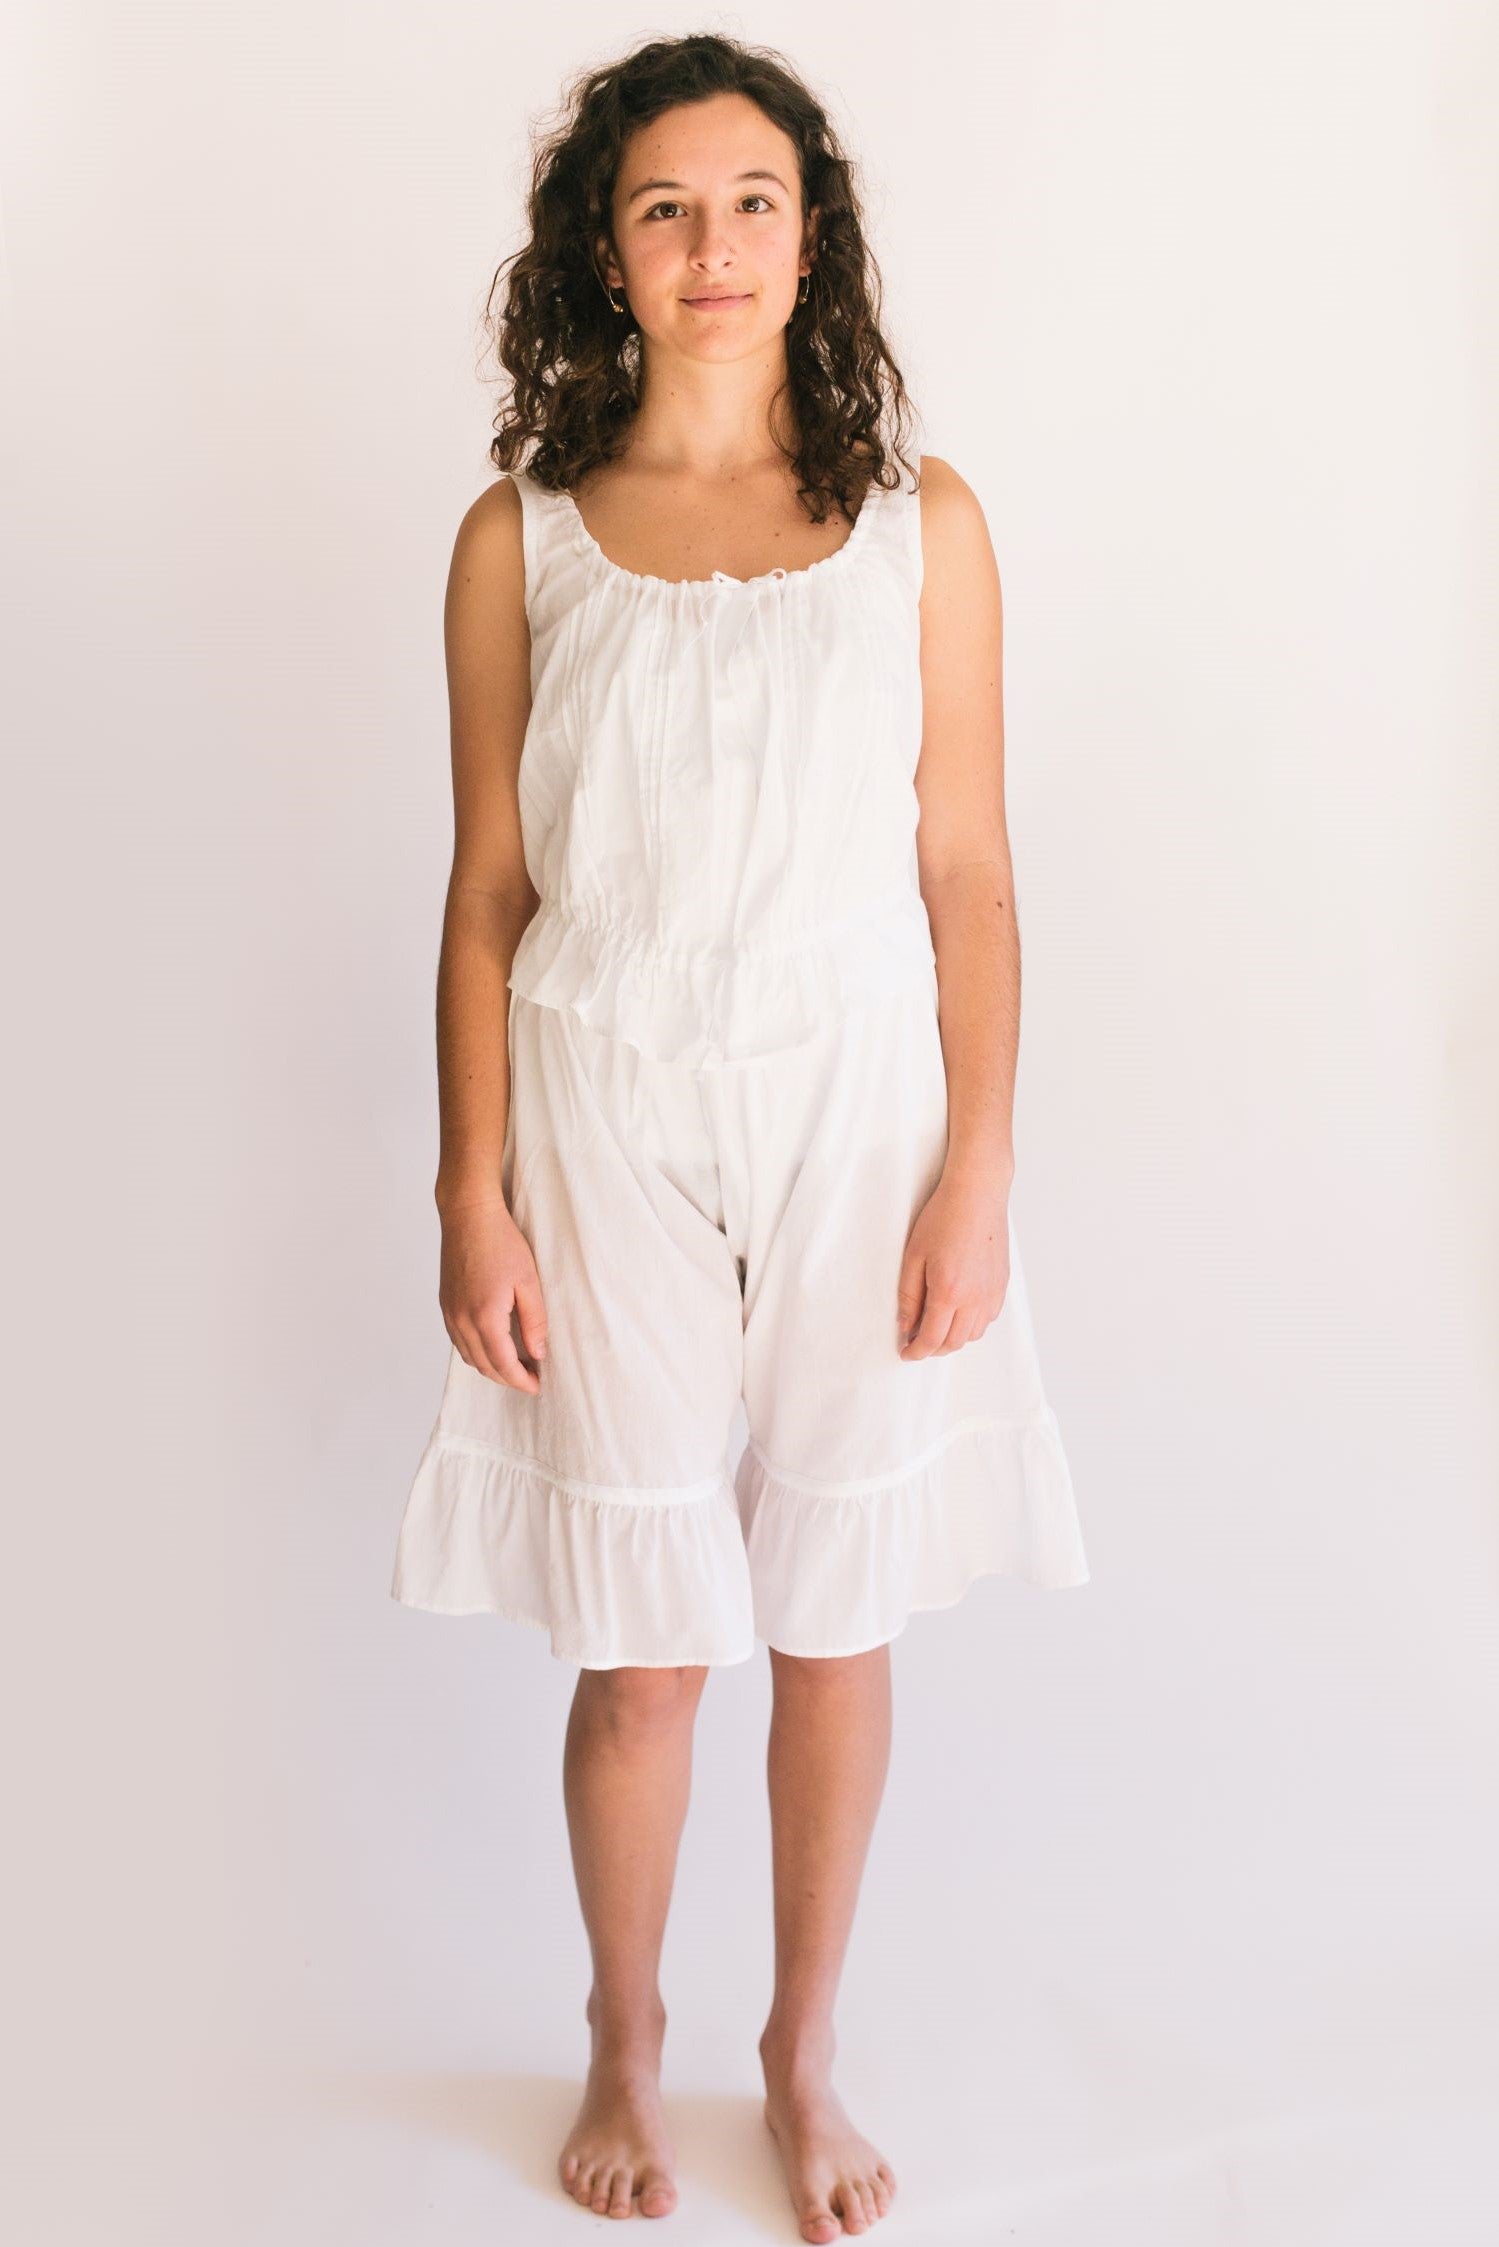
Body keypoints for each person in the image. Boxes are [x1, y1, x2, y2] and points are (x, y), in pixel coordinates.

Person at [389, 32, 1089, 2242]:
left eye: (755, 201)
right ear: (607, 249)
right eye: (667, 207)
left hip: (860, 1104)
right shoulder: (522, 540)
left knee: (835, 1607)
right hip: (601, 1108)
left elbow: (967, 871)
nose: (715, 246)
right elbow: (488, 890)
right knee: (644, 1631)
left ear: (816, 233)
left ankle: (799, 2046)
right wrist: (468, 1182)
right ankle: (624, 2028)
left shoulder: (917, 526)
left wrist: (980, 1165)